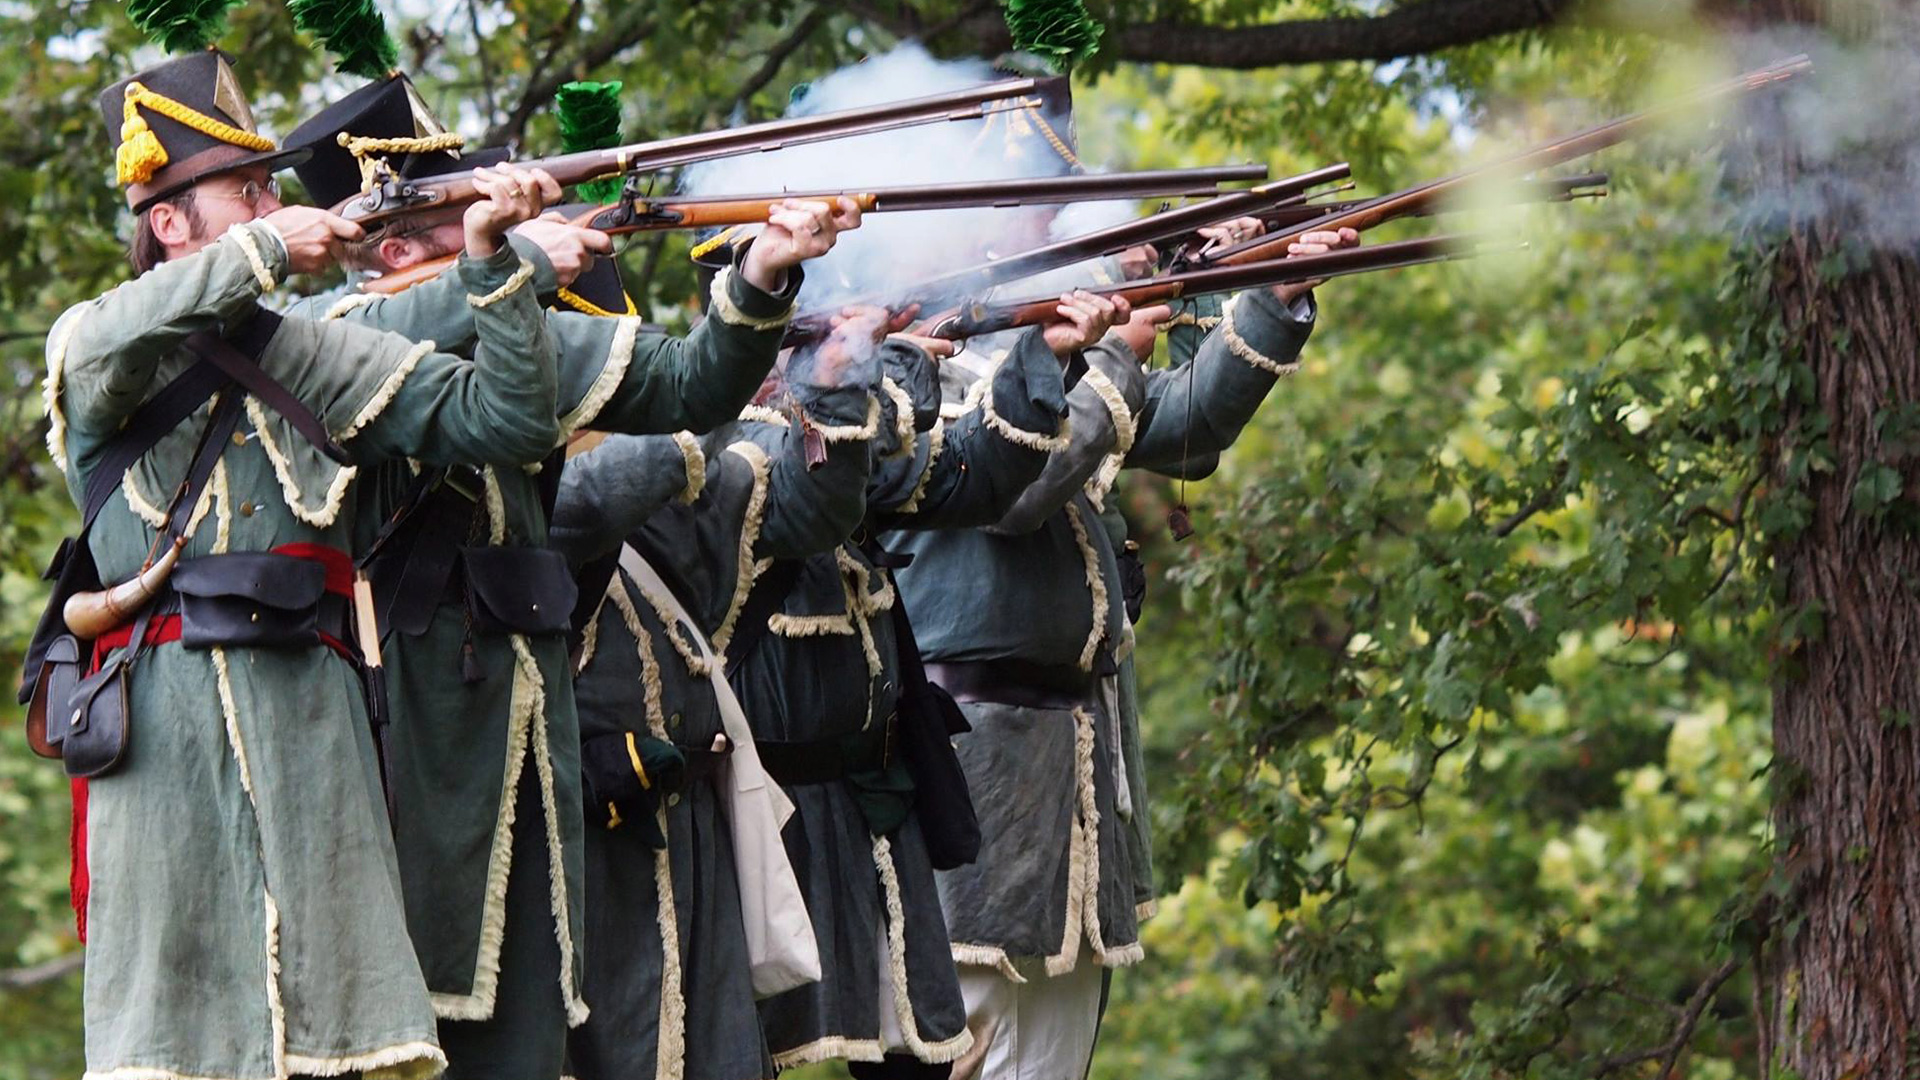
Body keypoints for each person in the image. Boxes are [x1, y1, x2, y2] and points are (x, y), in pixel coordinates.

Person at [270, 71, 862, 1079]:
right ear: (402, 245)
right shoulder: (321, 341)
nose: (490, 230)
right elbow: (350, 363)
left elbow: (690, 387)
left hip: (526, 720)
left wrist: (763, 271)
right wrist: (507, 271)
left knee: (532, 1026)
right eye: (462, 220)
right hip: (395, 726)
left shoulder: (510, 312)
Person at [45, 50, 564, 1079]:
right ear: (168, 221)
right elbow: (95, 344)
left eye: (271, 188)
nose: (275, 204)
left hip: (323, 789)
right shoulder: (103, 347)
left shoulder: (310, 354)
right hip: (166, 786)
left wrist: (497, 262)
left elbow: (508, 416)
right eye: (247, 189)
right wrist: (267, 251)